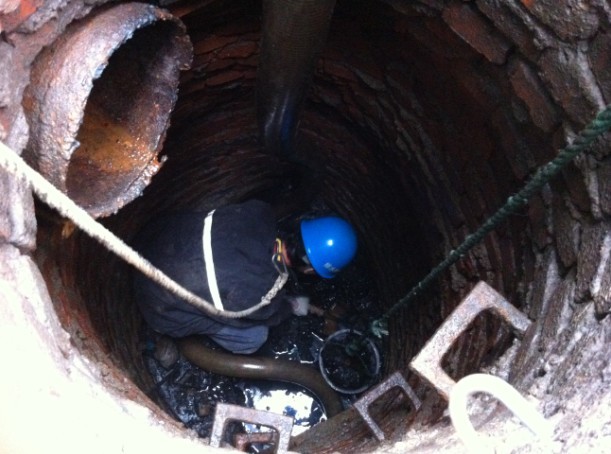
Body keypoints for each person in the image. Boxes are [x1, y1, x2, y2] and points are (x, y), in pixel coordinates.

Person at [132, 199, 357, 354]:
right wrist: (293, 306)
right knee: (254, 337)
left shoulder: (259, 212)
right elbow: (268, 314)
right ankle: (192, 345)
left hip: (154, 238)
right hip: (158, 307)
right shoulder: (261, 294)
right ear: (310, 270)